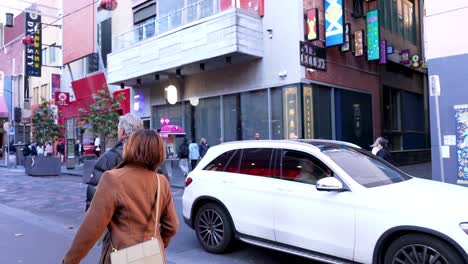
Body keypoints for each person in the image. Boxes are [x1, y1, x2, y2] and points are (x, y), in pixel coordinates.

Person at [63, 129, 179, 264]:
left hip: (123, 256)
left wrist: (70, 260)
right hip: (152, 257)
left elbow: (91, 229)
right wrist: (158, 245)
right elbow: (172, 226)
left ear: (131, 147)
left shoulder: (113, 178)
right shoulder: (161, 182)